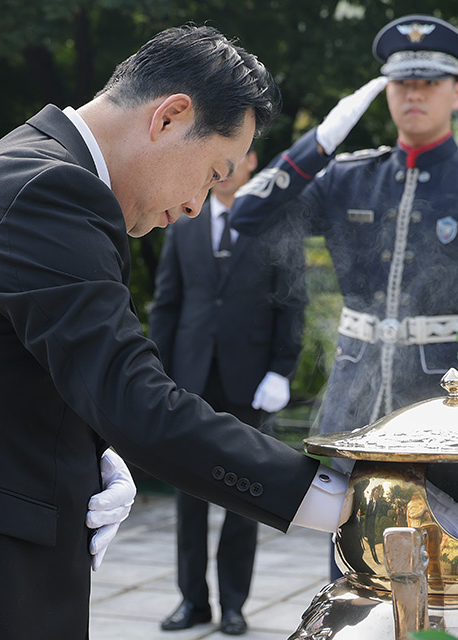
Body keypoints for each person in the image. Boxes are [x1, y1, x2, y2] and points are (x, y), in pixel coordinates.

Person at [0, 25, 351, 640]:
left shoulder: (38, 166)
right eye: (212, 172)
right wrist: (334, 498)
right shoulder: (51, 190)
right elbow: (133, 397)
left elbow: (16, 375)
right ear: (170, 117)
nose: (200, 204)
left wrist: (93, 452)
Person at [228, 15, 458, 579]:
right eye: (401, 84)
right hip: (357, 396)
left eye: (429, 83)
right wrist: (319, 142)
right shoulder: (347, 175)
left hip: (445, 397)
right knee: (351, 553)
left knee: (452, 557)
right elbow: (248, 213)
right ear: (384, 92)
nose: (413, 95)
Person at [151, 148, 307, 635]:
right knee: (188, 496)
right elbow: (168, 304)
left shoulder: (274, 224)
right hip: (189, 379)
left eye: (236, 161)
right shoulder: (183, 222)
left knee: (243, 495)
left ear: (252, 163)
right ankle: (192, 601)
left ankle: (234, 604)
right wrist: (157, 371)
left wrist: (282, 370)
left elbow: (293, 304)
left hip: (249, 382)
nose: (224, 171)